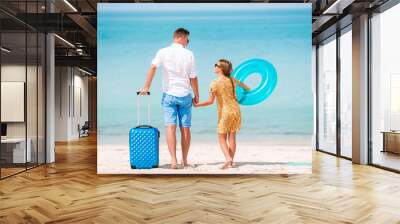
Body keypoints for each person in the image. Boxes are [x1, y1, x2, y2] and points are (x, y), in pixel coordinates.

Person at [139, 28, 199, 169]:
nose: (188, 42)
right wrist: (197, 94)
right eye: (187, 40)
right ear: (181, 37)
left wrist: (146, 86)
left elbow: (153, 67)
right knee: (185, 129)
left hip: (169, 95)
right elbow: (193, 77)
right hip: (185, 95)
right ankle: (184, 161)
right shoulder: (189, 54)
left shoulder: (163, 51)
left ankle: (173, 161)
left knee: (170, 128)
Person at [194, 59, 250, 169]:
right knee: (232, 137)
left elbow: (210, 101)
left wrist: (197, 105)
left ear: (220, 68)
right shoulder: (232, 80)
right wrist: (246, 95)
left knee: (221, 137)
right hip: (236, 110)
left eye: (216, 65)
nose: (214, 66)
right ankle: (231, 161)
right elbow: (247, 88)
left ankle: (228, 159)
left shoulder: (215, 83)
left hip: (225, 112)